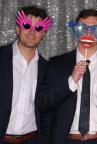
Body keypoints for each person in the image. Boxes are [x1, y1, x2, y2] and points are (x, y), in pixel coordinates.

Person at [37, 9, 97, 144]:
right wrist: (71, 82)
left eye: (95, 30)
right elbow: (43, 103)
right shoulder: (56, 64)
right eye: (83, 29)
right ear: (76, 31)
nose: (88, 34)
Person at [0, 6, 52, 144]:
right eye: (26, 25)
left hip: (33, 140)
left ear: (43, 34)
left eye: (38, 28)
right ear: (18, 28)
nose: (32, 32)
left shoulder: (47, 68)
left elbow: (47, 109)